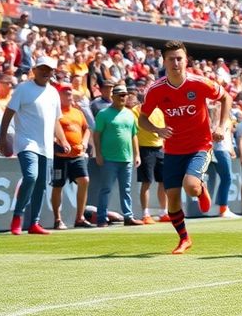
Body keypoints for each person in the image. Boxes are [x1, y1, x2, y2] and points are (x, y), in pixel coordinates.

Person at [139, 41, 232, 254]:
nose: (175, 63)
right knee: (172, 197)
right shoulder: (155, 90)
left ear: (186, 60)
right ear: (164, 61)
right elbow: (142, 119)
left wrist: (221, 125)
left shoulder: (199, 83)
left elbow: (226, 97)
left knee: (190, 186)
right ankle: (184, 239)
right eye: (171, 59)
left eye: (179, 58)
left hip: (200, 146)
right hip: (172, 150)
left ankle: (200, 187)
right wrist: (157, 129)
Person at [0, 57, 67, 235]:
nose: (46, 72)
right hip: (26, 142)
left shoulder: (53, 92)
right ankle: (18, 216)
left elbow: (55, 121)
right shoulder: (23, 89)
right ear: (34, 69)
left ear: (53, 72)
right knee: (31, 176)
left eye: (49, 69)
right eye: (42, 68)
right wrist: (3, 138)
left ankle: (34, 223)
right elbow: (9, 112)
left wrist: (63, 140)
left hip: (47, 146)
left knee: (42, 185)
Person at [94, 84, 143, 227]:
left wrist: (137, 155)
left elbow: (134, 135)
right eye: (120, 95)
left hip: (126, 159)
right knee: (106, 189)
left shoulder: (129, 114)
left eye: (125, 95)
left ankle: (128, 216)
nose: (123, 97)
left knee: (126, 189)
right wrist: (98, 154)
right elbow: (97, 135)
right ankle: (102, 218)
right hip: (109, 158)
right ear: (113, 96)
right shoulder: (103, 114)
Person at [51, 84, 93, 229]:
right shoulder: (56, 112)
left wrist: (84, 143)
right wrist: (57, 141)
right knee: (58, 185)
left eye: (70, 92)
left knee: (84, 180)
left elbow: (87, 129)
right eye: (65, 93)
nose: (69, 95)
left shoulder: (77, 112)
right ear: (59, 95)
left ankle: (80, 217)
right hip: (60, 155)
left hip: (77, 154)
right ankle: (57, 219)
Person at [131, 88, 169, 224]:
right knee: (146, 182)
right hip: (145, 148)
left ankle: (164, 212)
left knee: (164, 182)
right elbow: (138, 127)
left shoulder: (159, 111)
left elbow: (164, 128)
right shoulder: (136, 110)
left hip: (160, 148)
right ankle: (145, 213)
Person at [209, 101, 240, 218]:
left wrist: (231, 149)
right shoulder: (217, 120)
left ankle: (223, 207)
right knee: (227, 178)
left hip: (223, 150)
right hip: (220, 150)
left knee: (226, 178)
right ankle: (223, 208)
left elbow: (229, 137)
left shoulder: (226, 121)